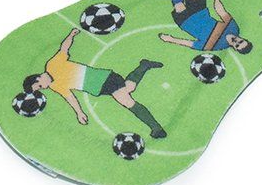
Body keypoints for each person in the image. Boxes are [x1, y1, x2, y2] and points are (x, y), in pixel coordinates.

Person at [23, 28, 167, 138]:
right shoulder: (54, 86)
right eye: (41, 89)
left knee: (127, 100)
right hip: (98, 89)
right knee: (129, 87)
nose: (44, 87)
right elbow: (70, 97)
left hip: (103, 78)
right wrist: (79, 113)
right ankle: (144, 65)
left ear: (39, 77)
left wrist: (71, 35)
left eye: (40, 85)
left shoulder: (52, 65)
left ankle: (156, 128)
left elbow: (64, 49)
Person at [158, 0, 254, 53]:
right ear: (243, 38)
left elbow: (190, 43)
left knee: (179, 4)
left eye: (237, 45)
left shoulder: (216, 46)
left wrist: (170, 39)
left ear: (235, 48)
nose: (237, 41)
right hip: (201, 12)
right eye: (241, 41)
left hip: (187, 22)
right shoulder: (234, 28)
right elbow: (222, 12)